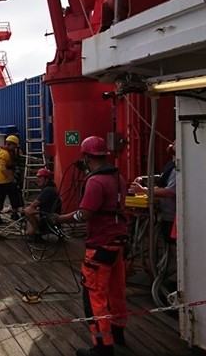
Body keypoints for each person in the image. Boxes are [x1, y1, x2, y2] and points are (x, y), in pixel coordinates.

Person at [55, 136, 128, 356]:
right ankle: (118, 332)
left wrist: (59, 219)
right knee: (116, 291)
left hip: (100, 246)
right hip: (119, 243)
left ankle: (102, 347)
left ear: (87, 157)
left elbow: (84, 214)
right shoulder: (118, 177)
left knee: (94, 297)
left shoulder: (95, 182)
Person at [129, 140, 176, 244]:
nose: (173, 143)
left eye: (176, 142)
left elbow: (170, 192)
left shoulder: (176, 168)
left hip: (172, 216)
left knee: (174, 247)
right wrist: (144, 178)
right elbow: (162, 177)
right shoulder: (171, 164)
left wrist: (143, 191)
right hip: (166, 214)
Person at [0, 135, 25, 225]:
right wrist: (12, 178)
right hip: (4, 180)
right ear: (11, 145)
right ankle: (14, 213)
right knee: (15, 194)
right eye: (15, 146)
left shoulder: (0, 150)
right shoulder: (5, 154)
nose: (15, 148)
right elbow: (3, 168)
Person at [21, 167, 61, 241]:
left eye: (40, 177)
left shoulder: (47, 190)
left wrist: (23, 211)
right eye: (37, 177)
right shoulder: (51, 188)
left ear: (47, 179)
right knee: (28, 229)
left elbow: (33, 205)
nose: (37, 180)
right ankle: (32, 232)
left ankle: (37, 234)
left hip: (49, 219)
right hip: (51, 218)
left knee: (28, 210)